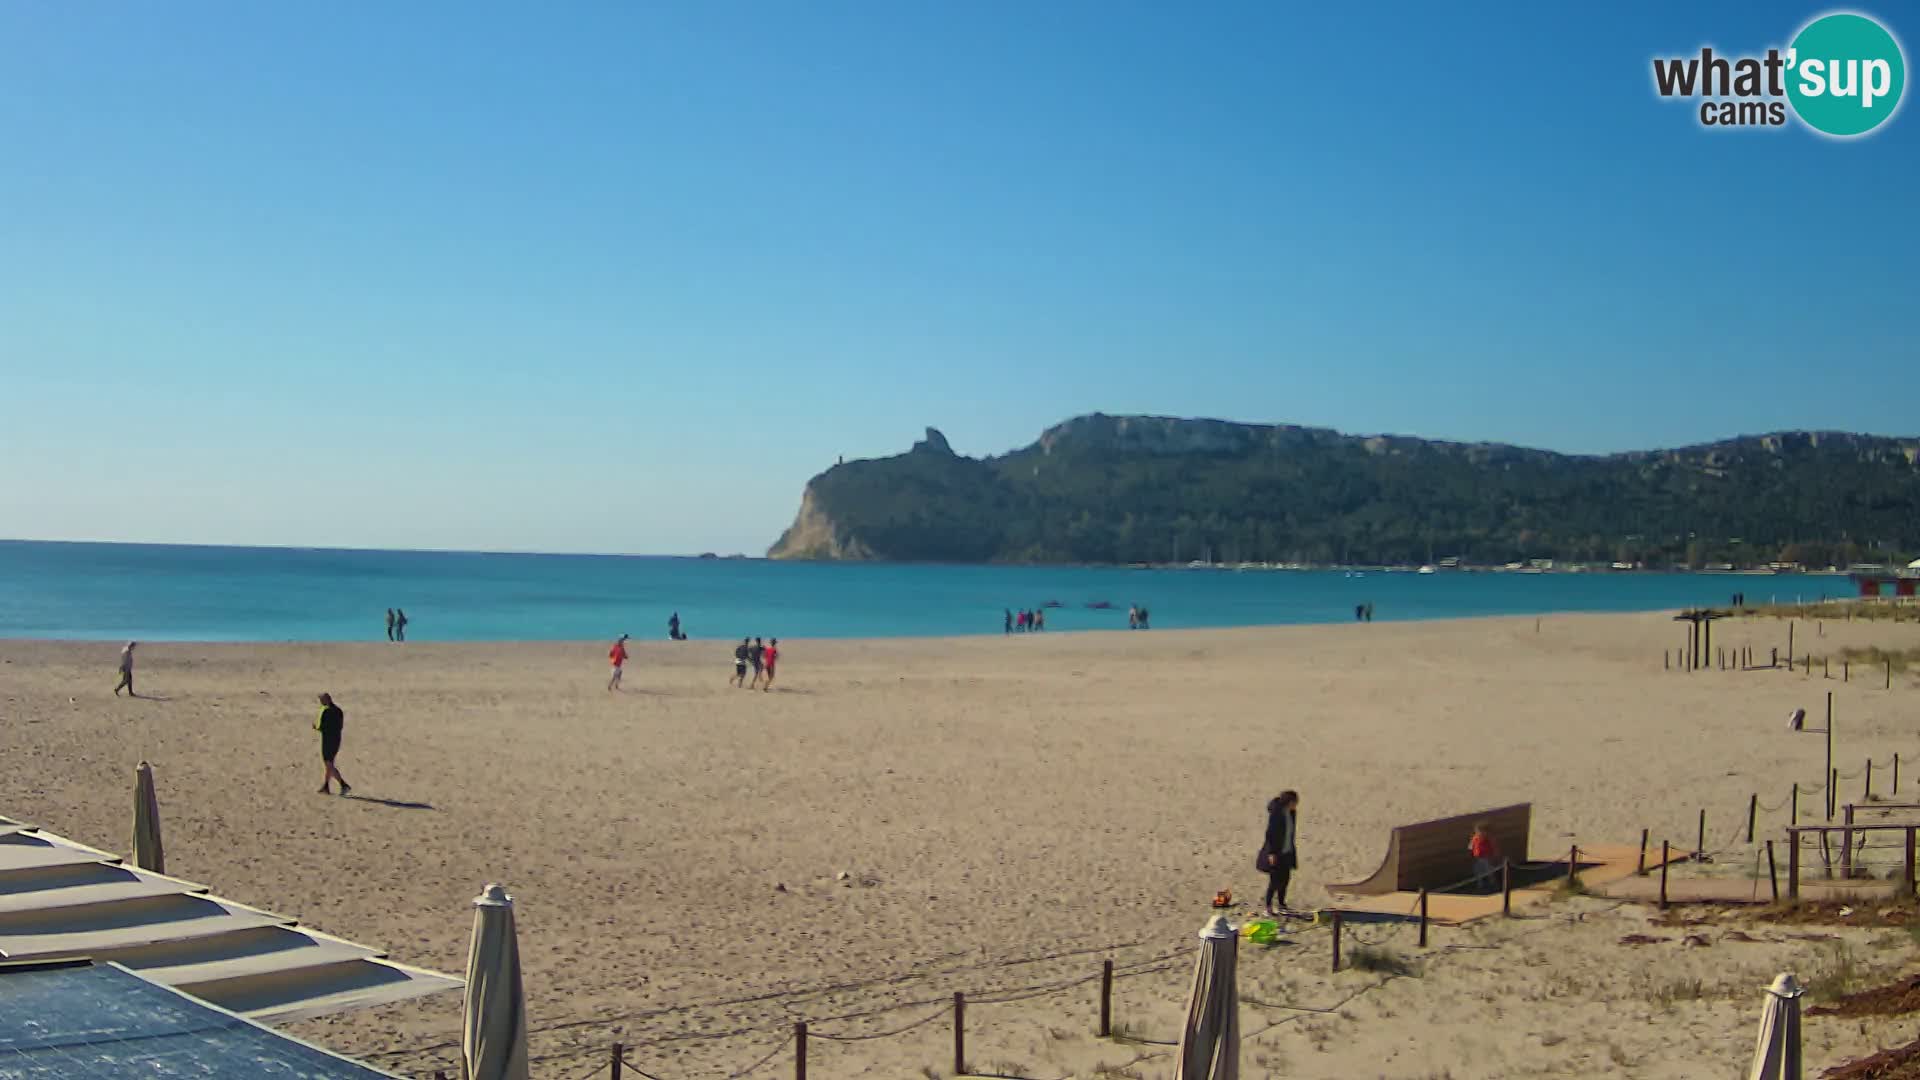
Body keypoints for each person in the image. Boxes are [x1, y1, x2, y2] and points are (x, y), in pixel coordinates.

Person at [1258, 791, 1300, 915]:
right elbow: (1270, 833)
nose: (1296, 805)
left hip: (1287, 850)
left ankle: (1282, 904)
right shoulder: (1276, 813)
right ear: (1289, 802)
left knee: (1285, 879)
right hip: (1276, 852)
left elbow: (1291, 831)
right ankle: (1268, 906)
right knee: (1275, 880)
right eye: (1295, 802)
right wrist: (1271, 853)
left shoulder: (1292, 813)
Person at [315, 693, 351, 796]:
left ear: (327, 700)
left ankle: (344, 785)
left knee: (328, 764)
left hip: (328, 740)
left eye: (322, 700)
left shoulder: (326, 711)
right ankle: (326, 786)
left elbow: (322, 727)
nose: (320, 702)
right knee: (329, 763)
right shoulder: (339, 710)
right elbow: (340, 726)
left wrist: (315, 727)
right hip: (336, 739)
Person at [1471, 820, 1504, 892]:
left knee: (1489, 871)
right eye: (1477, 831)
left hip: (1486, 857)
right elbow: (1472, 847)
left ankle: (1493, 884)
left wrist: (1495, 855)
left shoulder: (1489, 839)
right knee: (1478, 871)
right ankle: (1480, 885)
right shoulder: (1475, 838)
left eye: (1480, 831)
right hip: (1478, 857)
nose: (1479, 833)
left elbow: (1494, 847)